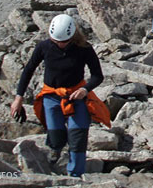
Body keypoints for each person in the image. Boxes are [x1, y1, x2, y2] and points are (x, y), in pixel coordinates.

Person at [10, 14, 109, 177]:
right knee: (56, 138)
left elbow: (97, 75)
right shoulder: (44, 47)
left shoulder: (84, 49)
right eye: (56, 41)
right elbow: (28, 70)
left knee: (77, 139)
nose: (59, 44)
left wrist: (85, 90)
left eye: (63, 42)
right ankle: (54, 152)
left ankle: (75, 176)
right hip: (51, 96)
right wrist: (18, 98)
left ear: (72, 37)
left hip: (77, 97)